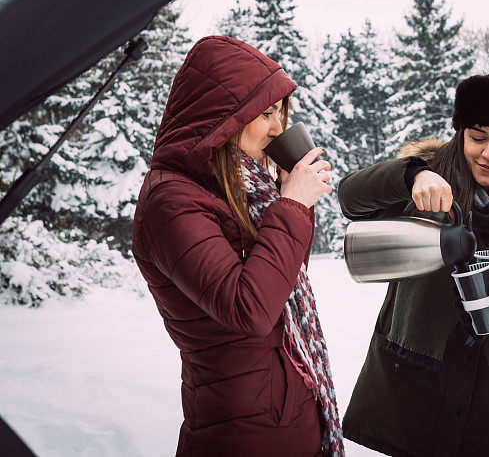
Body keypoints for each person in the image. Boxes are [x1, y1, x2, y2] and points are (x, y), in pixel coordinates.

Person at [338, 72, 489, 457]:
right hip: (412, 387)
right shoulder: (426, 183)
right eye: (478, 137)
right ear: (461, 133)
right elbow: (350, 199)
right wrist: (410, 174)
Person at [131, 36, 344, 457]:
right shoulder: (171, 201)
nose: (278, 128)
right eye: (265, 113)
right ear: (223, 117)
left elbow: (282, 276)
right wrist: (292, 205)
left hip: (289, 410)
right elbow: (249, 308)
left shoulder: (240, 188)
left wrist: (288, 200)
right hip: (242, 430)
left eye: (279, 112)